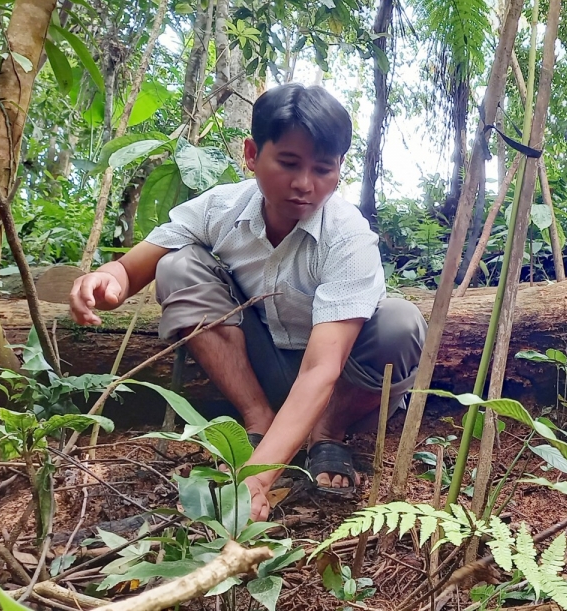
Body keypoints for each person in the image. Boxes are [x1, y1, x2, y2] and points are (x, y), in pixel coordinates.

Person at [69, 84, 427, 520]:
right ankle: (257, 421)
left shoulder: (346, 235)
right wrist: (105, 280)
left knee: (400, 322)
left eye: (322, 169)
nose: (304, 184)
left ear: (339, 170)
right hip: (257, 361)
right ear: (252, 154)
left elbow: (321, 369)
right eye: (289, 163)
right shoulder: (221, 208)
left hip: (336, 376)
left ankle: (326, 434)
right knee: (177, 266)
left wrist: (256, 480)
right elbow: (131, 270)